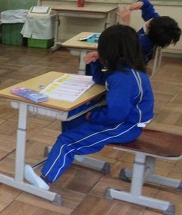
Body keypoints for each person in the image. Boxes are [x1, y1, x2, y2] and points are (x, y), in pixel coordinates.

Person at [24, 24, 154, 190]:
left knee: (66, 141)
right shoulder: (126, 68)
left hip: (125, 126)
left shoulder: (123, 78)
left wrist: (92, 116)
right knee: (74, 116)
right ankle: (75, 153)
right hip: (124, 120)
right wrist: (96, 62)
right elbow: (100, 80)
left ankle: (45, 180)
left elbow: (115, 115)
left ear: (111, 50)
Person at [117, 0, 181, 62]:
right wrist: (141, 3)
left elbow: (125, 45)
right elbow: (147, 6)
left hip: (129, 63)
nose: (151, 19)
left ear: (149, 28)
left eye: (151, 21)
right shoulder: (157, 27)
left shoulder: (144, 42)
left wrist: (126, 23)